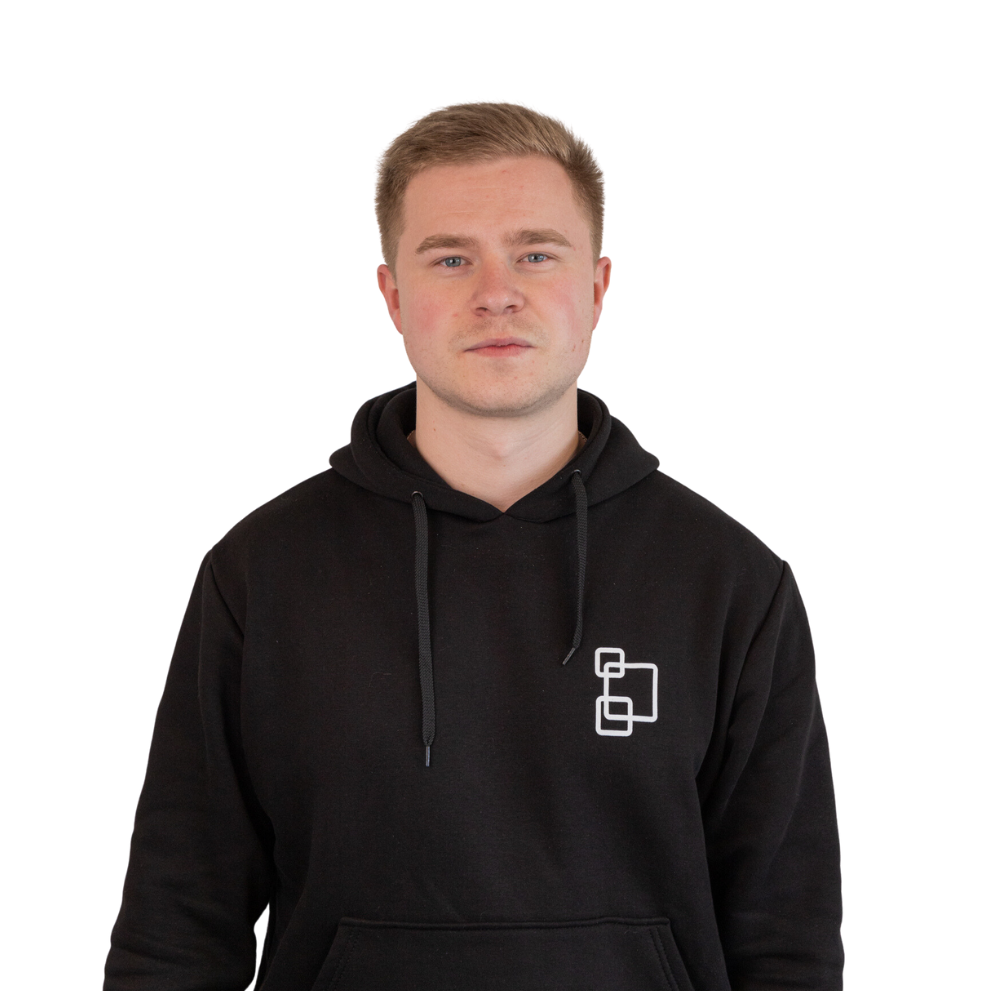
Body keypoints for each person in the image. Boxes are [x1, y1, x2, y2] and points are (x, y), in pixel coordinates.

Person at [105, 103, 843, 991]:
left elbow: (786, 941)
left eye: (536, 254)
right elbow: (176, 928)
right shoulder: (263, 574)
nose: (496, 292)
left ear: (598, 287)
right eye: (451, 258)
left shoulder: (729, 584)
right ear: (393, 297)